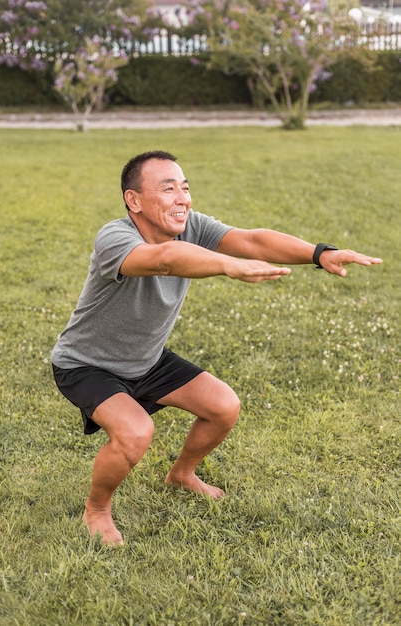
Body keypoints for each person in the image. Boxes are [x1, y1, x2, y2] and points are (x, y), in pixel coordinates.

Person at [51, 150, 382, 546]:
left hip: (146, 360)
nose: (182, 198)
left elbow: (252, 239)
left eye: (185, 188)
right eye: (168, 188)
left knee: (223, 406)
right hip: (86, 364)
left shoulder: (193, 228)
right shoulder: (115, 238)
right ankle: (97, 510)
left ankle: (182, 474)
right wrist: (228, 265)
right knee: (136, 432)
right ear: (133, 200)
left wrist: (319, 253)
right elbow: (164, 260)